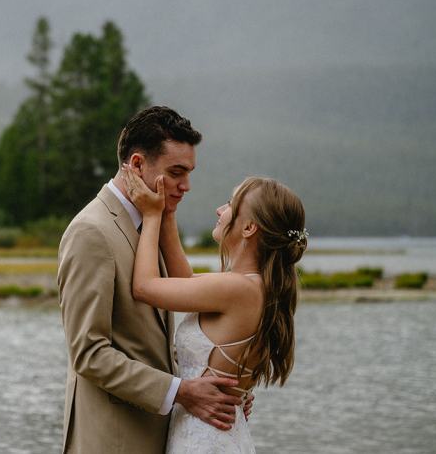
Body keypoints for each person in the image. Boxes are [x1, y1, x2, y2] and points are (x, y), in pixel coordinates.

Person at [57, 106, 248, 454]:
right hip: (111, 441)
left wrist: (213, 387)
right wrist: (181, 392)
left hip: (161, 437)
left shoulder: (152, 222)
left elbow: (158, 336)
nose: (186, 186)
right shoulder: (91, 232)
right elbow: (88, 353)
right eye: (176, 172)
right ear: (138, 164)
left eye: (189, 173)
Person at [124, 168, 307, 453]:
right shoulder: (250, 287)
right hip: (214, 435)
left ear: (249, 228)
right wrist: (168, 214)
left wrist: (151, 217)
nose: (220, 209)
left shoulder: (240, 290)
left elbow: (145, 287)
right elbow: (183, 281)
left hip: (205, 441)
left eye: (231, 204)